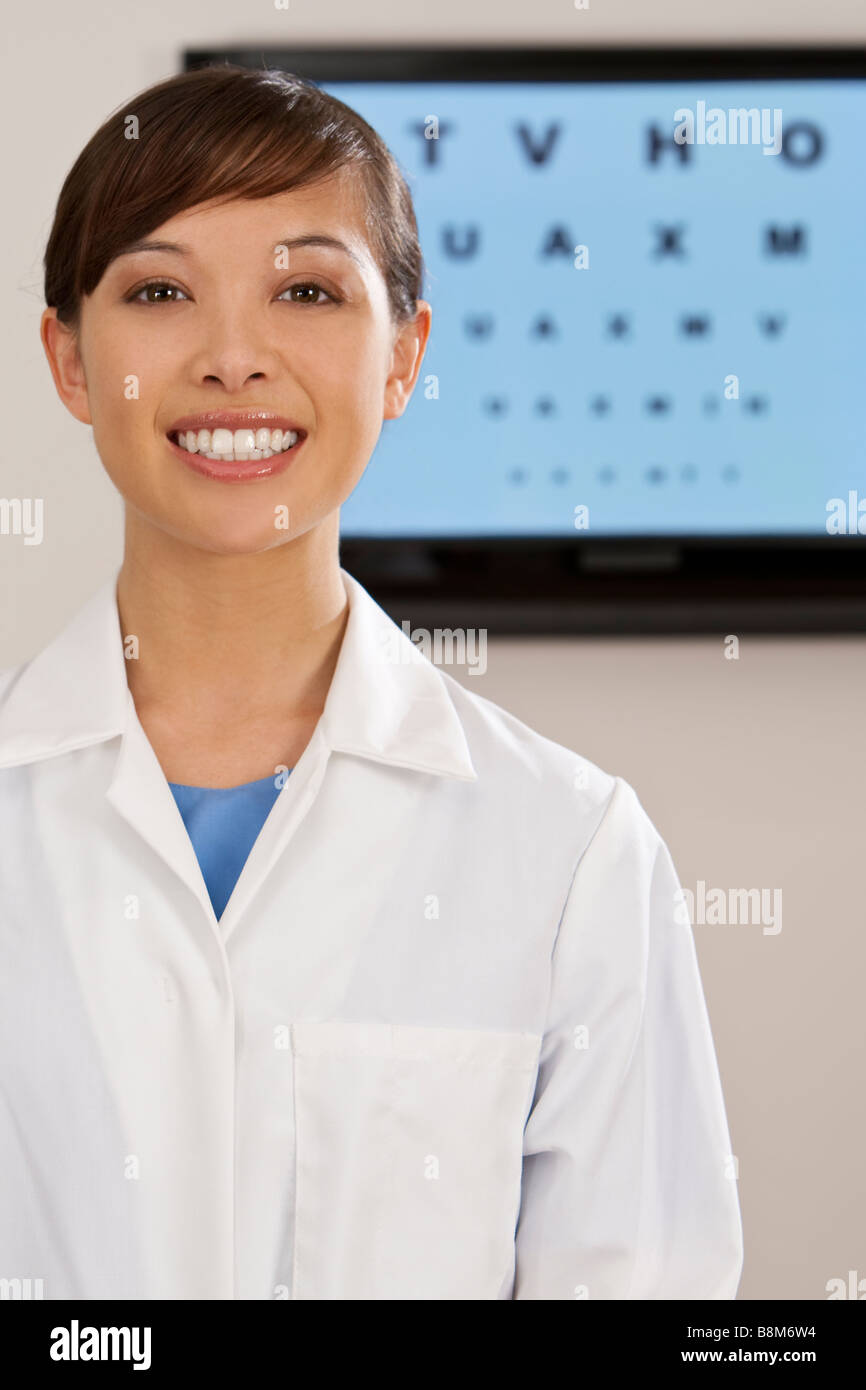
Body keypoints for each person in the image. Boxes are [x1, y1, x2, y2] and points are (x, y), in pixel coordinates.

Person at [0, 64, 743, 1300]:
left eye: (305, 290)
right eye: (161, 290)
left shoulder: (570, 850)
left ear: (403, 358)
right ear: (70, 361)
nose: (233, 357)